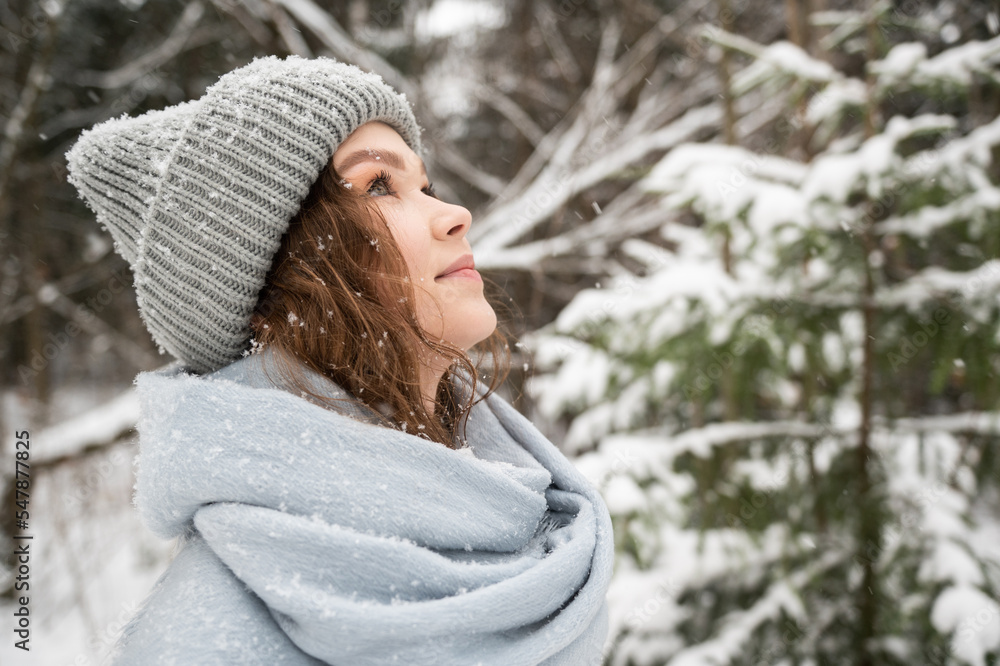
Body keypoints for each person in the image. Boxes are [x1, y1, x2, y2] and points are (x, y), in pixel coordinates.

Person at [66, 55, 613, 666]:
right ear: (274, 289)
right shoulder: (204, 640)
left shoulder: (532, 528)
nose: (454, 213)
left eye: (424, 186)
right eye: (379, 185)